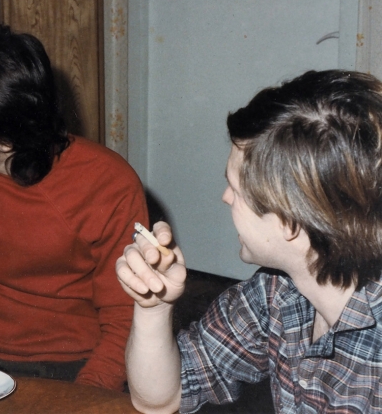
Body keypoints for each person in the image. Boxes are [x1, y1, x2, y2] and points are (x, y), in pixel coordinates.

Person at [116, 69, 382, 413]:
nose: (225, 197)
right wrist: (154, 307)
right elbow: (161, 399)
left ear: (290, 221)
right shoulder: (278, 290)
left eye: (236, 189)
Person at [0, 25, 150, 391]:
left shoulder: (105, 183)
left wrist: (86, 396)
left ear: (6, 138)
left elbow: (125, 314)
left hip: (74, 367)